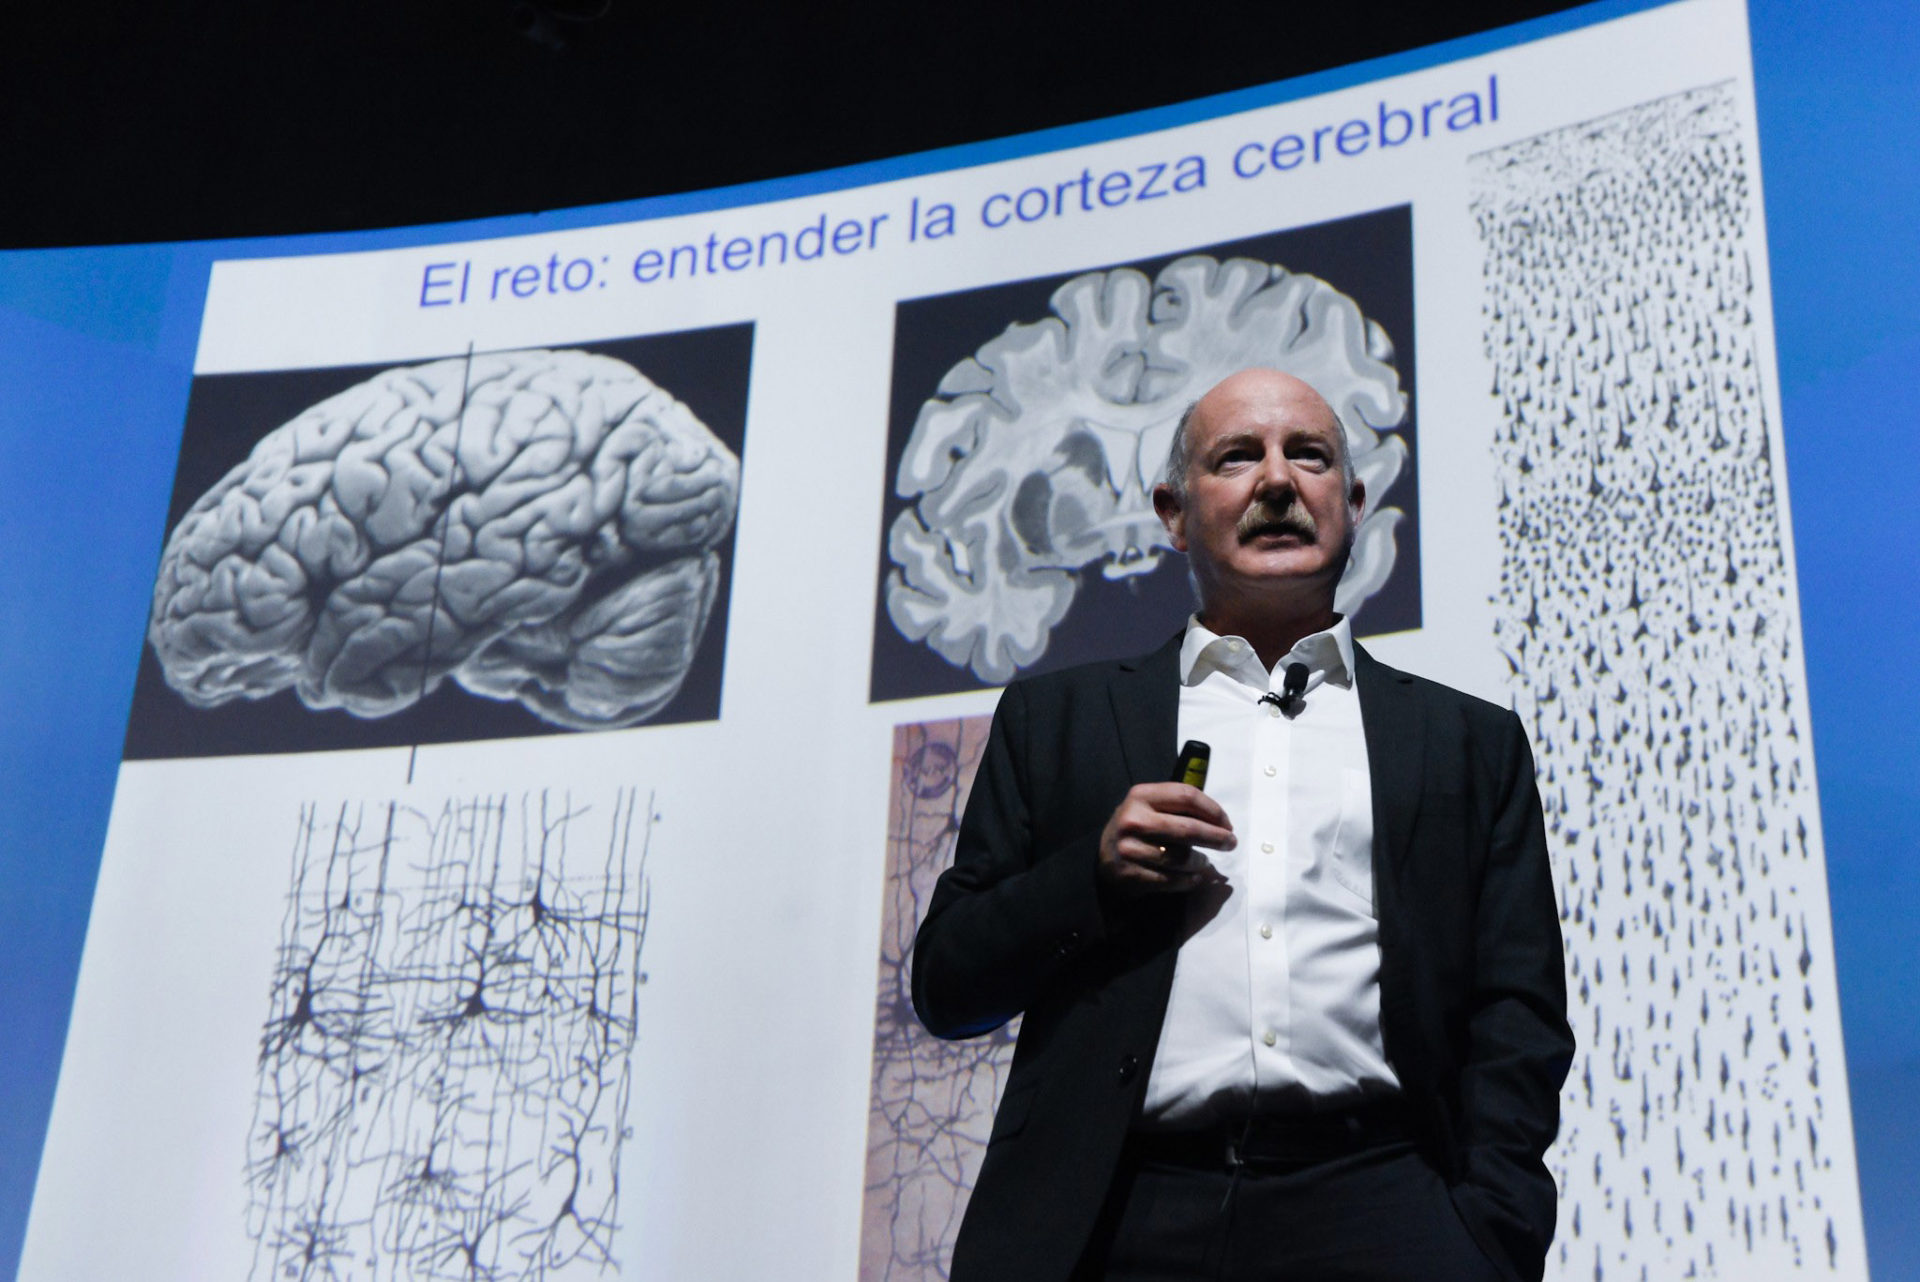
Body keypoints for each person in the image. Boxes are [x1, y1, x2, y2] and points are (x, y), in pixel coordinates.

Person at [912, 368, 1573, 1282]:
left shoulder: (1466, 742)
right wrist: (1091, 878)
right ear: (1175, 514)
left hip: (1385, 1206)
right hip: (1120, 1214)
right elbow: (947, 987)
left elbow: (1520, 1014)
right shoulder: (1055, 719)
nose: (1276, 481)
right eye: (1236, 457)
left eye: (1308, 455)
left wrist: (1489, 1233)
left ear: (1353, 501)